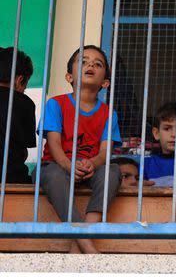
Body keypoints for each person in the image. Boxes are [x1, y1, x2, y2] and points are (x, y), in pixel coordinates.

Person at [39, 45, 122, 254]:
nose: (91, 65)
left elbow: (104, 153)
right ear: (69, 76)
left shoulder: (108, 113)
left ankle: (82, 236)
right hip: (57, 166)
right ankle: (86, 242)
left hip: (89, 170)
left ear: (105, 82)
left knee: (113, 171)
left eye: (98, 63)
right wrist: (68, 165)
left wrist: (90, 163)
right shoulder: (55, 104)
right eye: (83, 61)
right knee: (53, 174)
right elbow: (54, 143)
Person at [0, 47, 36, 184]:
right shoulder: (25, 103)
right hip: (10, 177)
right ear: (19, 80)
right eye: (25, 86)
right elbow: (24, 150)